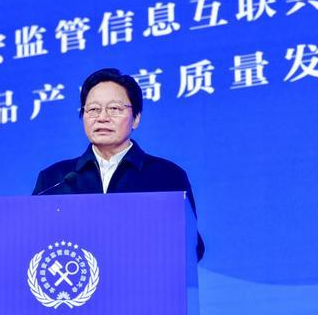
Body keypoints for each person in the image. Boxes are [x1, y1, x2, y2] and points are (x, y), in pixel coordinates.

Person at [32, 68, 205, 261]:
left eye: (114, 109)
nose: (102, 117)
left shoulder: (166, 175)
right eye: (93, 109)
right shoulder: (54, 179)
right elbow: (32, 241)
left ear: (136, 119)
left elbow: (191, 247)